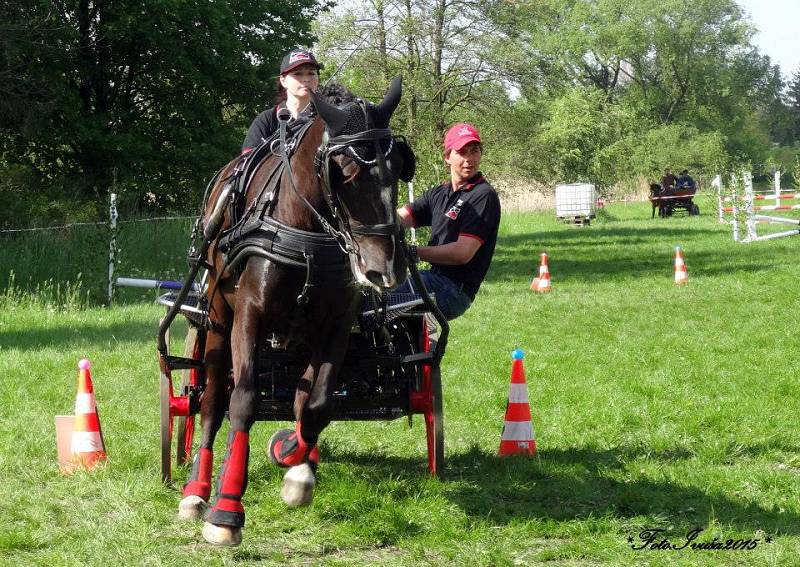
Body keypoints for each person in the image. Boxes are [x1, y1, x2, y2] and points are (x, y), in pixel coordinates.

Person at [396, 123, 501, 321]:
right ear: (447, 157)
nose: (469, 159)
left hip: (453, 290)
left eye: (474, 151)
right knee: (372, 296)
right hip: (433, 279)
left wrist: (412, 252)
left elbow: (462, 253)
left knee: (383, 300)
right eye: (462, 152)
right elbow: (400, 218)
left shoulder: (482, 195)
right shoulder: (439, 193)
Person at [241, 49, 323, 153]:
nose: (306, 79)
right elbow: (248, 161)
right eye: (298, 74)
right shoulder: (267, 119)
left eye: (311, 73)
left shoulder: (327, 119)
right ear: (283, 80)